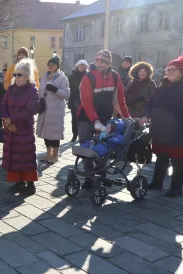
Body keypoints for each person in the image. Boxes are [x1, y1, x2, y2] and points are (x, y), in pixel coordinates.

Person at [78, 50, 130, 188]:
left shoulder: (115, 76)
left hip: (105, 117)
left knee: (104, 147)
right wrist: (95, 120)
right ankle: (89, 176)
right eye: (98, 61)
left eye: (103, 62)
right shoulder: (88, 78)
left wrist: (126, 118)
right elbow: (86, 102)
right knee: (87, 147)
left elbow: (118, 100)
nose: (100, 64)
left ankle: (101, 174)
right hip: (86, 118)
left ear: (108, 63)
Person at [140, 56, 183, 197]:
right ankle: (157, 182)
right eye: (167, 69)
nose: (168, 72)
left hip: (177, 131)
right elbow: (149, 103)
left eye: (172, 69)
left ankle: (176, 188)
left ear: (181, 71)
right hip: (159, 129)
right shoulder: (161, 86)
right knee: (161, 157)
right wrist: (145, 115)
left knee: (178, 161)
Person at [0, 58, 39, 194]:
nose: (16, 77)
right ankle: (19, 182)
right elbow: (3, 104)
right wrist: (6, 119)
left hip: (24, 130)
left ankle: (30, 184)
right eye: (15, 74)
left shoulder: (33, 91)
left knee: (26, 157)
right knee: (14, 157)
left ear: (27, 76)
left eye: (19, 75)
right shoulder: (11, 89)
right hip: (11, 130)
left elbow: (30, 110)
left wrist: (12, 119)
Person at [36, 55, 70, 163]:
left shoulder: (62, 78)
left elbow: (67, 94)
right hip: (45, 109)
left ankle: (55, 155)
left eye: (53, 65)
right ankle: (48, 154)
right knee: (46, 132)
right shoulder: (44, 76)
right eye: (49, 65)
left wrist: (55, 90)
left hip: (56, 110)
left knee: (55, 133)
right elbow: (40, 91)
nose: (50, 66)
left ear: (57, 66)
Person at [67, 60, 89, 142]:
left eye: (83, 66)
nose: (81, 67)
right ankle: (74, 134)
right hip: (74, 99)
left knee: (83, 119)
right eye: (80, 66)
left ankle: (82, 134)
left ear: (85, 67)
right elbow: (69, 88)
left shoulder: (87, 76)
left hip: (84, 101)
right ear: (77, 67)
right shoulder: (72, 76)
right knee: (74, 119)